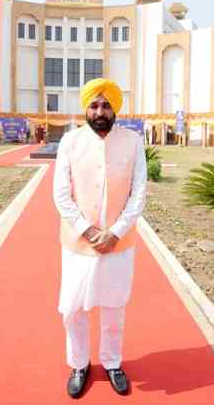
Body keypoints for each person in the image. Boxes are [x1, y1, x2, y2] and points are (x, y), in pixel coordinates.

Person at [53, 78, 146, 398]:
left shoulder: (133, 141)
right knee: (72, 308)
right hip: (79, 242)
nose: (100, 111)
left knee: (113, 306)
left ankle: (112, 362)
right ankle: (79, 363)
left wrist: (115, 232)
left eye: (106, 105)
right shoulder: (70, 142)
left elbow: (139, 194)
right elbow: (61, 195)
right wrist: (89, 230)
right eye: (94, 105)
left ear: (115, 107)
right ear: (86, 108)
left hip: (119, 242)